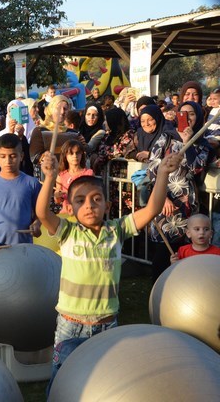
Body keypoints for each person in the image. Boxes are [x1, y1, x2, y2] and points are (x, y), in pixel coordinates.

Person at [36, 148, 184, 392]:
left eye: (96, 199)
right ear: (70, 208)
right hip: (71, 324)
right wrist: (50, 177)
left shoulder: (117, 231)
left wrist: (163, 174)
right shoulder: (67, 232)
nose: (89, 205)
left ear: (107, 205)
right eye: (80, 200)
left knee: (105, 380)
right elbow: (42, 212)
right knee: (62, 378)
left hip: (107, 322)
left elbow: (152, 209)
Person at [135, 105, 209, 281]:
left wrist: (187, 142)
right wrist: (163, 198)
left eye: (191, 114)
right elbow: (153, 167)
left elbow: (196, 168)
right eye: (183, 113)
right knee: (162, 255)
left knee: (187, 253)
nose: (187, 117)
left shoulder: (201, 142)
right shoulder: (166, 137)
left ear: (198, 117)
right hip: (165, 203)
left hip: (187, 206)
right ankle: (158, 293)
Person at [55, 140, 94, 214]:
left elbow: (92, 195)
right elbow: (58, 201)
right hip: (67, 213)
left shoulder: (89, 173)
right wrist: (57, 196)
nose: (75, 156)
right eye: (71, 153)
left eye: (77, 153)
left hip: (84, 213)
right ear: (65, 156)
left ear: (82, 154)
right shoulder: (61, 176)